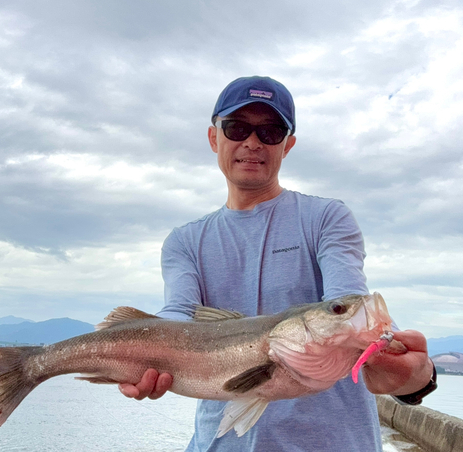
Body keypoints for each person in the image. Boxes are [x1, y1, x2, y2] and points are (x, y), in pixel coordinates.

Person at [119, 76, 436, 451]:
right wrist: (139, 354)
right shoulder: (185, 241)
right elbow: (177, 317)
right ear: (213, 137)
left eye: (270, 132)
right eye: (237, 128)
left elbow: (347, 297)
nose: (252, 142)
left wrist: (414, 375)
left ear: (287, 146)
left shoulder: (326, 217)